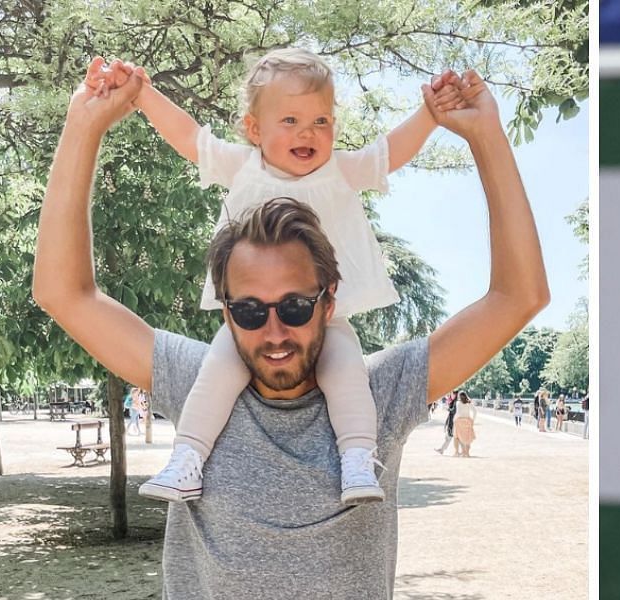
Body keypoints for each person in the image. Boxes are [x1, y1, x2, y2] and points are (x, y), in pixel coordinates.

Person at [32, 59, 547, 597]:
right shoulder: (195, 381)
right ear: (226, 310)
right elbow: (63, 292)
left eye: (296, 306)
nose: (274, 330)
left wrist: (486, 134)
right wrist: (84, 126)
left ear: (329, 301)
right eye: (251, 310)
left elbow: (519, 296)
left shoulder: (380, 396)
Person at [81, 50, 467, 506]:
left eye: (321, 121)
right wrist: (143, 94)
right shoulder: (244, 165)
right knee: (218, 370)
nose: (308, 132)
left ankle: (359, 459)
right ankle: (188, 457)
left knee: (347, 373)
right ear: (255, 130)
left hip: (323, 313)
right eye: (290, 120)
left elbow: (390, 152)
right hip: (251, 314)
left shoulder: (339, 169)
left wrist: (429, 114)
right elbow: (190, 138)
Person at [452, 391, 477, 457]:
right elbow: (475, 411)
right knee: (467, 437)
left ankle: (457, 452)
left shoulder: (458, 403)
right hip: (467, 421)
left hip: (459, 421)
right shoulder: (469, 403)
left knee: (456, 437)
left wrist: (454, 419)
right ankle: (467, 453)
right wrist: (473, 420)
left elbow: (458, 412)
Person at [436, 390, 458, 454]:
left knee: (451, 436)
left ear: (455, 395)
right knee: (449, 436)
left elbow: (454, 411)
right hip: (452, 420)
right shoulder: (454, 401)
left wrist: (448, 409)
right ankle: (442, 449)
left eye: (452, 394)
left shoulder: (456, 402)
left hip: (454, 421)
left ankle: (442, 449)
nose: (451, 395)